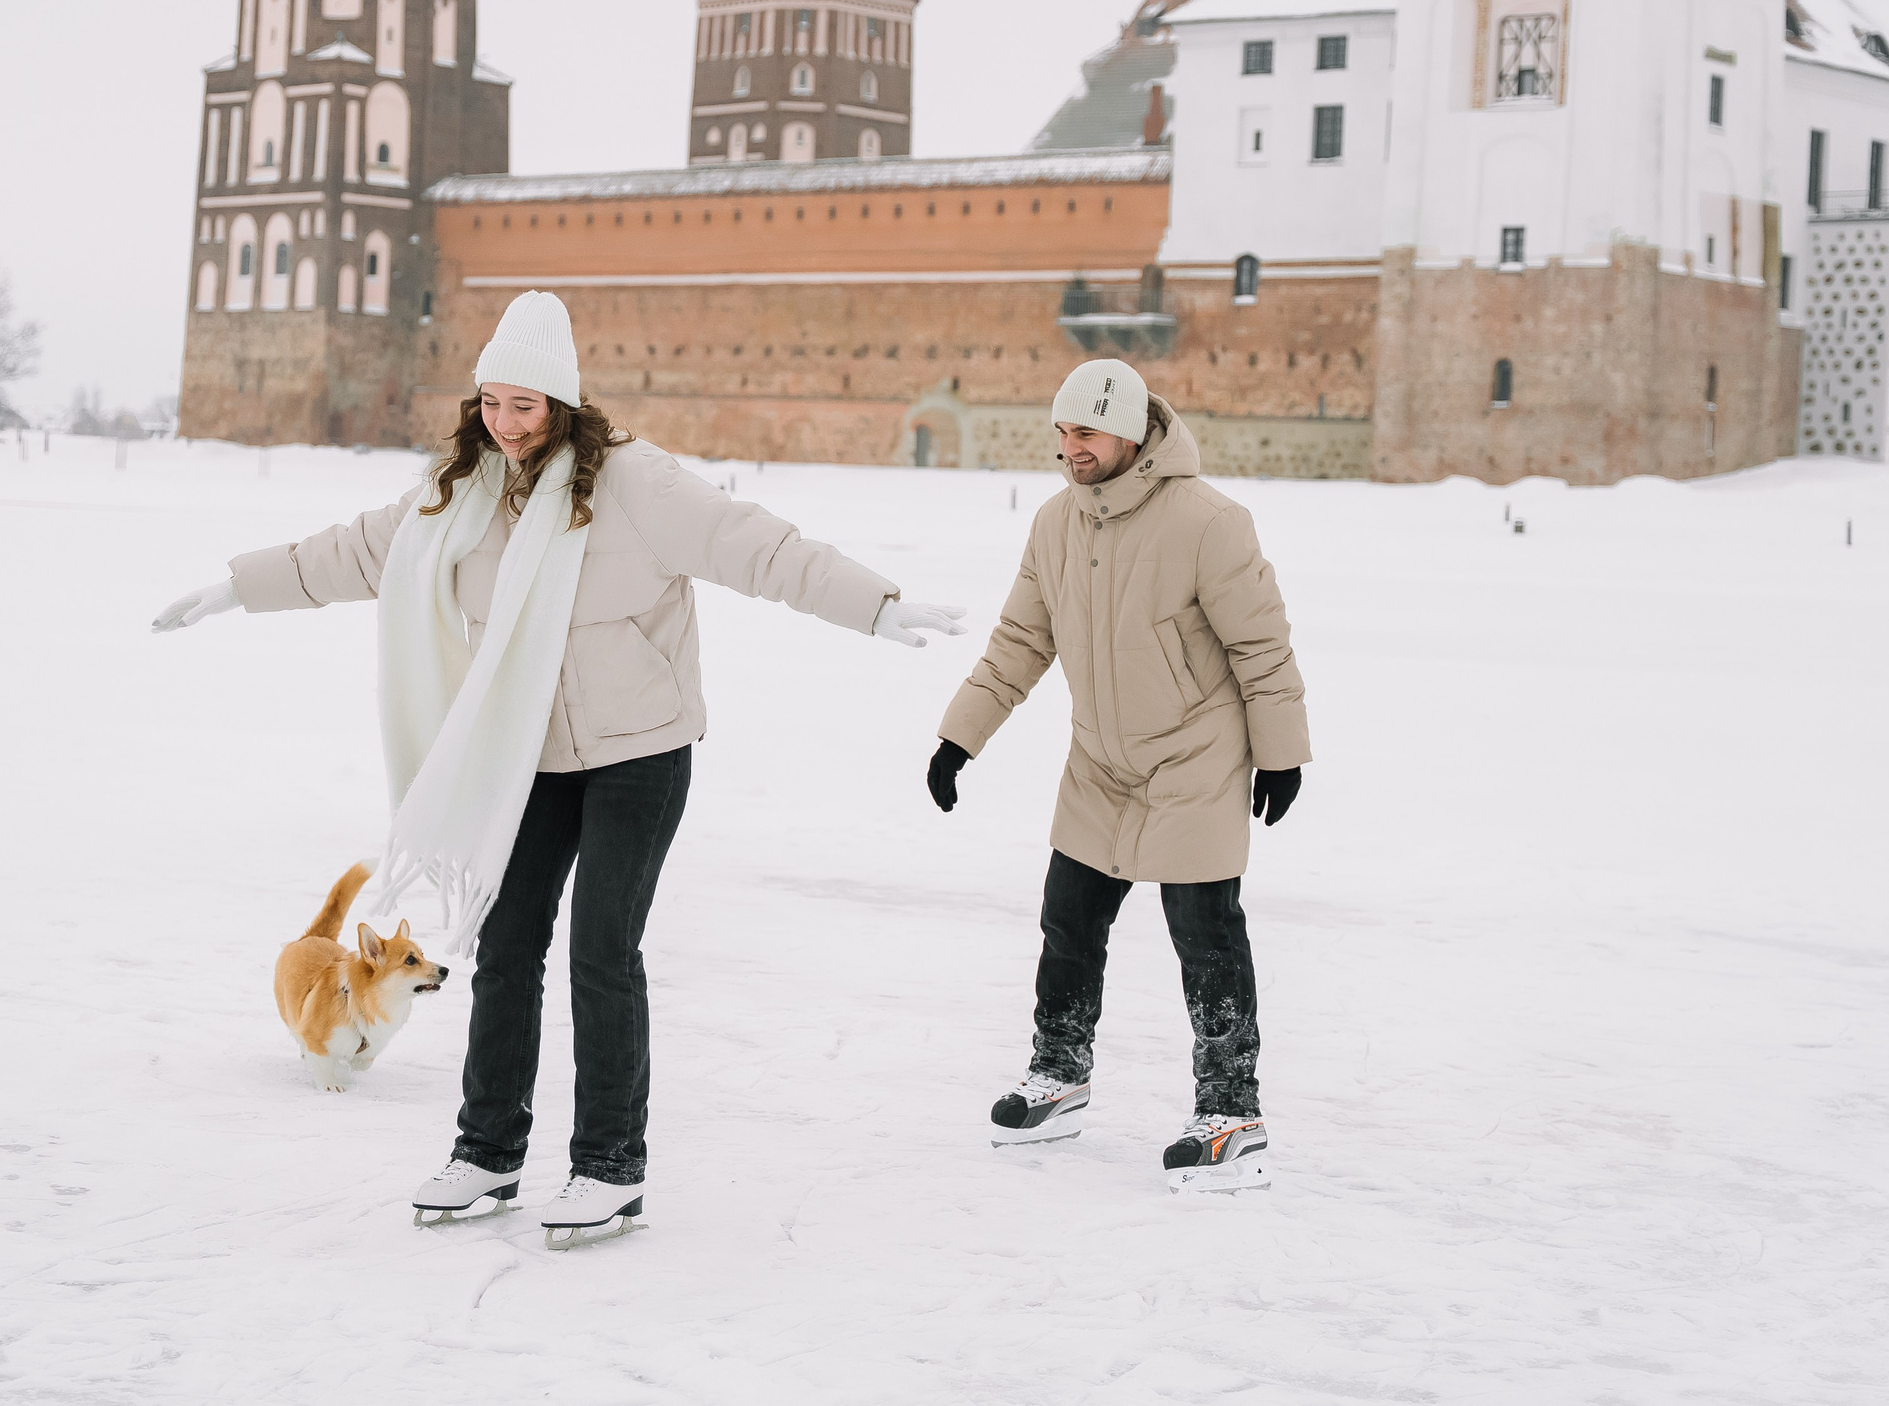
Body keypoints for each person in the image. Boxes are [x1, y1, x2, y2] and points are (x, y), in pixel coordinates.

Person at [153, 291, 963, 1244]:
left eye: (526, 407)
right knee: (505, 948)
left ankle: (609, 1165)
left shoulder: (636, 484)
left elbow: (761, 548)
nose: (506, 424)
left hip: (640, 751)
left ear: (565, 404)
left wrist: (874, 605)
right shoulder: (457, 494)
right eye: (492, 403)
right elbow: (356, 551)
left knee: (601, 952)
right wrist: (235, 587)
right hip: (526, 755)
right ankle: (488, 1150)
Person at [924, 358, 1308, 1190]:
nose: (1070, 449)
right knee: (1068, 918)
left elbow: (1261, 647)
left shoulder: (1209, 521)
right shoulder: (1056, 524)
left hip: (1193, 752)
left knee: (1204, 931)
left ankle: (1230, 1105)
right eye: (1061, 432)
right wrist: (960, 739)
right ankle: (1059, 1071)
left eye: (1086, 433)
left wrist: (1281, 753)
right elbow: (1020, 644)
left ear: (1132, 434)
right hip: (1101, 758)